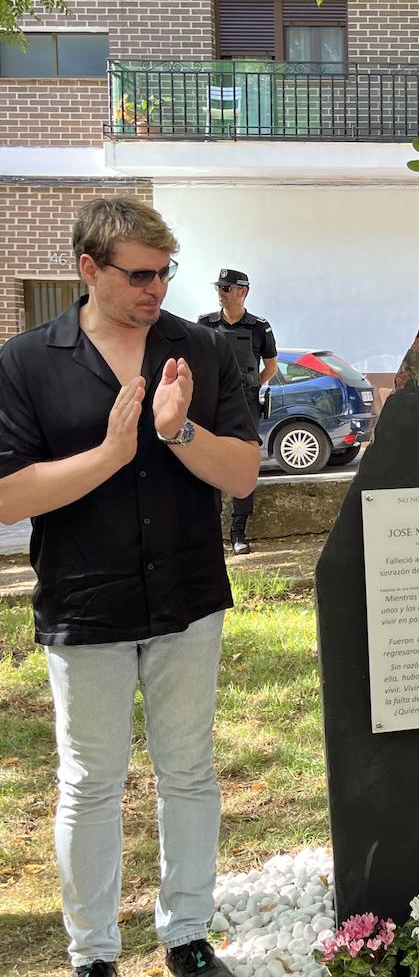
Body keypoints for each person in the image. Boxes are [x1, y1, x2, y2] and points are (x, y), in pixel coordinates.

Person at [0, 197, 261, 977]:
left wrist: (179, 431)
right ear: (89, 269)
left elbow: (244, 471)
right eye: (139, 274)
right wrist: (111, 454)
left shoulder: (204, 349)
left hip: (187, 597)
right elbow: (9, 493)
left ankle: (187, 932)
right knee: (90, 782)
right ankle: (94, 953)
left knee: (189, 770)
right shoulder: (28, 360)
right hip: (86, 603)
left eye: (164, 272)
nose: (156, 289)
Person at [198, 269, 276, 554]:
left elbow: (271, 366)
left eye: (227, 288)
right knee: (209, 462)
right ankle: (210, 530)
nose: (222, 292)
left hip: (245, 404)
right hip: (212, 404)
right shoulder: (205, 323)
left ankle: (238, 532)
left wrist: (252, 387)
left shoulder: (258, 327)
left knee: (243, 464)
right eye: (219, 287)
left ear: (244, 291)